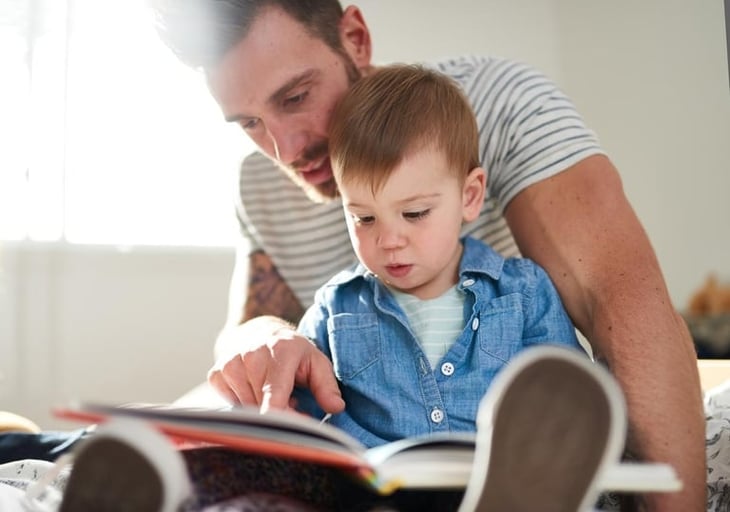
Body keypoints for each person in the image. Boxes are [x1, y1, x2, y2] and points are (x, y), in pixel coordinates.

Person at [149, 1, 705, 510]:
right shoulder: (258, 186)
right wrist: (267, 339)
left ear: (355, 38)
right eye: (248, 123)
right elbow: (242, 335)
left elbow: (624, 304)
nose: (284, 150)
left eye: (295, 97)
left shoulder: (499, 105)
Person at [292, 63, 585, 446]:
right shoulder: (336, 307)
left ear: (469, 196)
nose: (389, 241)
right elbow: (293, 421)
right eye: (364, 218)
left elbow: (576, 402)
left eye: (414, 214)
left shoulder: (522, 293)